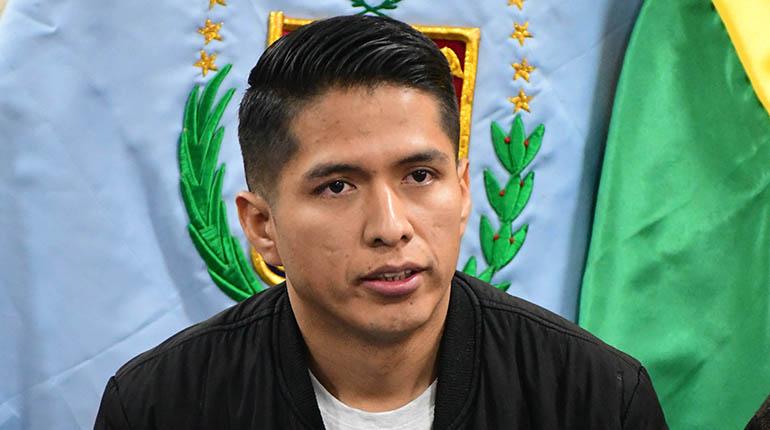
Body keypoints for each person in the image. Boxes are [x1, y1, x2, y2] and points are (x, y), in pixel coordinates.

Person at [94, 15, 668, 429]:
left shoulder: (595, 398)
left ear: (462, 192)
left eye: (419, 175)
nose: (390, 228)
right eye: (337, 186)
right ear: (263, 225)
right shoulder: (158, 407)